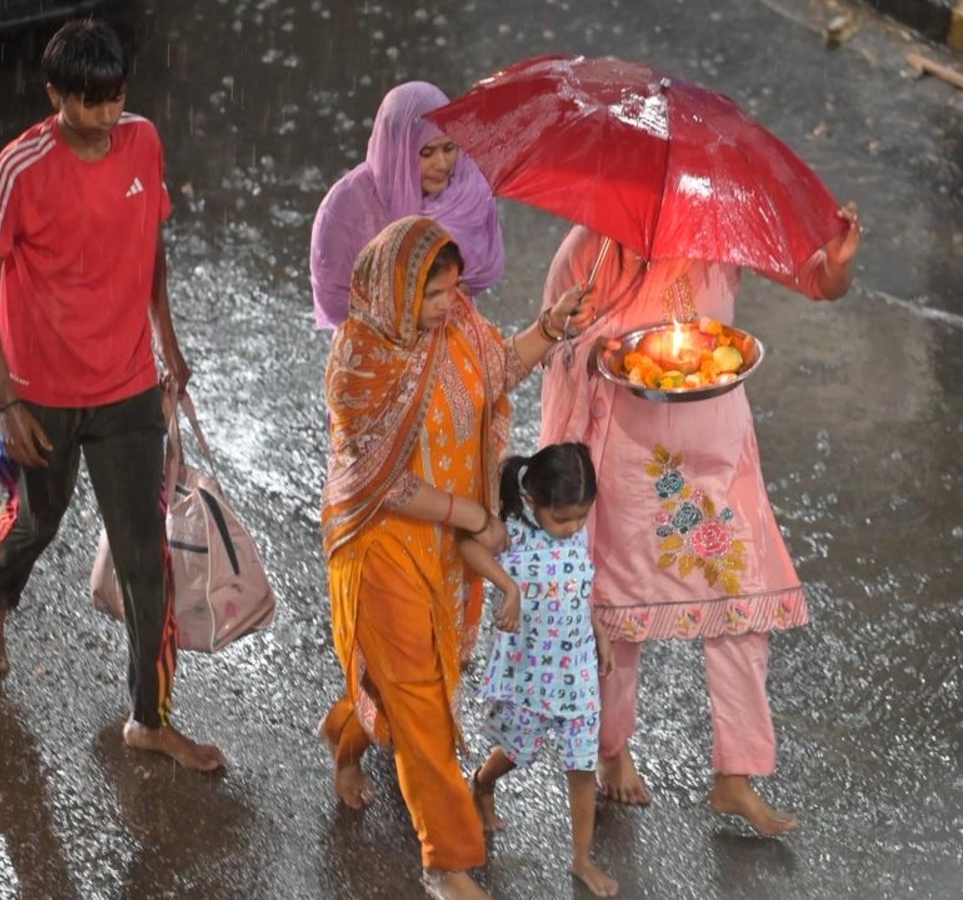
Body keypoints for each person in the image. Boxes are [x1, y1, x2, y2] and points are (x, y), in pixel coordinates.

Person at [536, 206, 862, 836]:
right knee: (619, 610)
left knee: (742, 602)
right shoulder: (593, 246)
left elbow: (818, 282)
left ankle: (735, 776)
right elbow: (553, 345)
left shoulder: (728, 229)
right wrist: (576, 332)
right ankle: (612, 750)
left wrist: (841, 265)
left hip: (715, 454)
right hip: (630, 456)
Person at [0, 18, 224, 772]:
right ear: (56, 96)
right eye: (90, 104)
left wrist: (166, 339)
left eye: (116, 100)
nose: (107, 118)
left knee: (147, 558)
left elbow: (151, 241)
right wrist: (7, 402)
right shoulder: (21, 166)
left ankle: (149, 718)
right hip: (41, 393)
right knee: (40, 516)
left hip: (128, 386)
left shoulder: (142, 141)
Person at [318, 215, 590, 900]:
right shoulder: (359, 361)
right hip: (383, 549)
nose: (445, 308)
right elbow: (386, 481)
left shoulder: (460, 325)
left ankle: (345, 738)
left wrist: (549, 327)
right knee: (425, 707)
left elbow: (500, 367)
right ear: (393, 291)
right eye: (431, 297)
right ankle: (446, 862)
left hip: (446, 554)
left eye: (450, 292)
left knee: (406, 689)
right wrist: (474, 515)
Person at [460, 443, 617, 898]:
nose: (572, 528)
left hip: (578, 676)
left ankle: (583, 858)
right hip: (530, 674)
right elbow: (467, 546)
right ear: (533, 501)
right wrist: (507, 588)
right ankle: (482, 784)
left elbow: (581, 588)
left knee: (582, 765)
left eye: (580, 518)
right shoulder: (514, 532)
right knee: (514, 751)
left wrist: (601, 635)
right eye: (562, 519)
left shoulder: (576, 534)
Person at [310, 81, 504, 330]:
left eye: (449, 148)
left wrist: (448, 294)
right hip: (373, 350)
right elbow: (334, 301)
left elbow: (484, 269)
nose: (442, 163)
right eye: (427, 152)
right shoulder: (346, 207)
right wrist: (407, 311)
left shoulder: (469, 190)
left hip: (450, 337)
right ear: (397, 147)